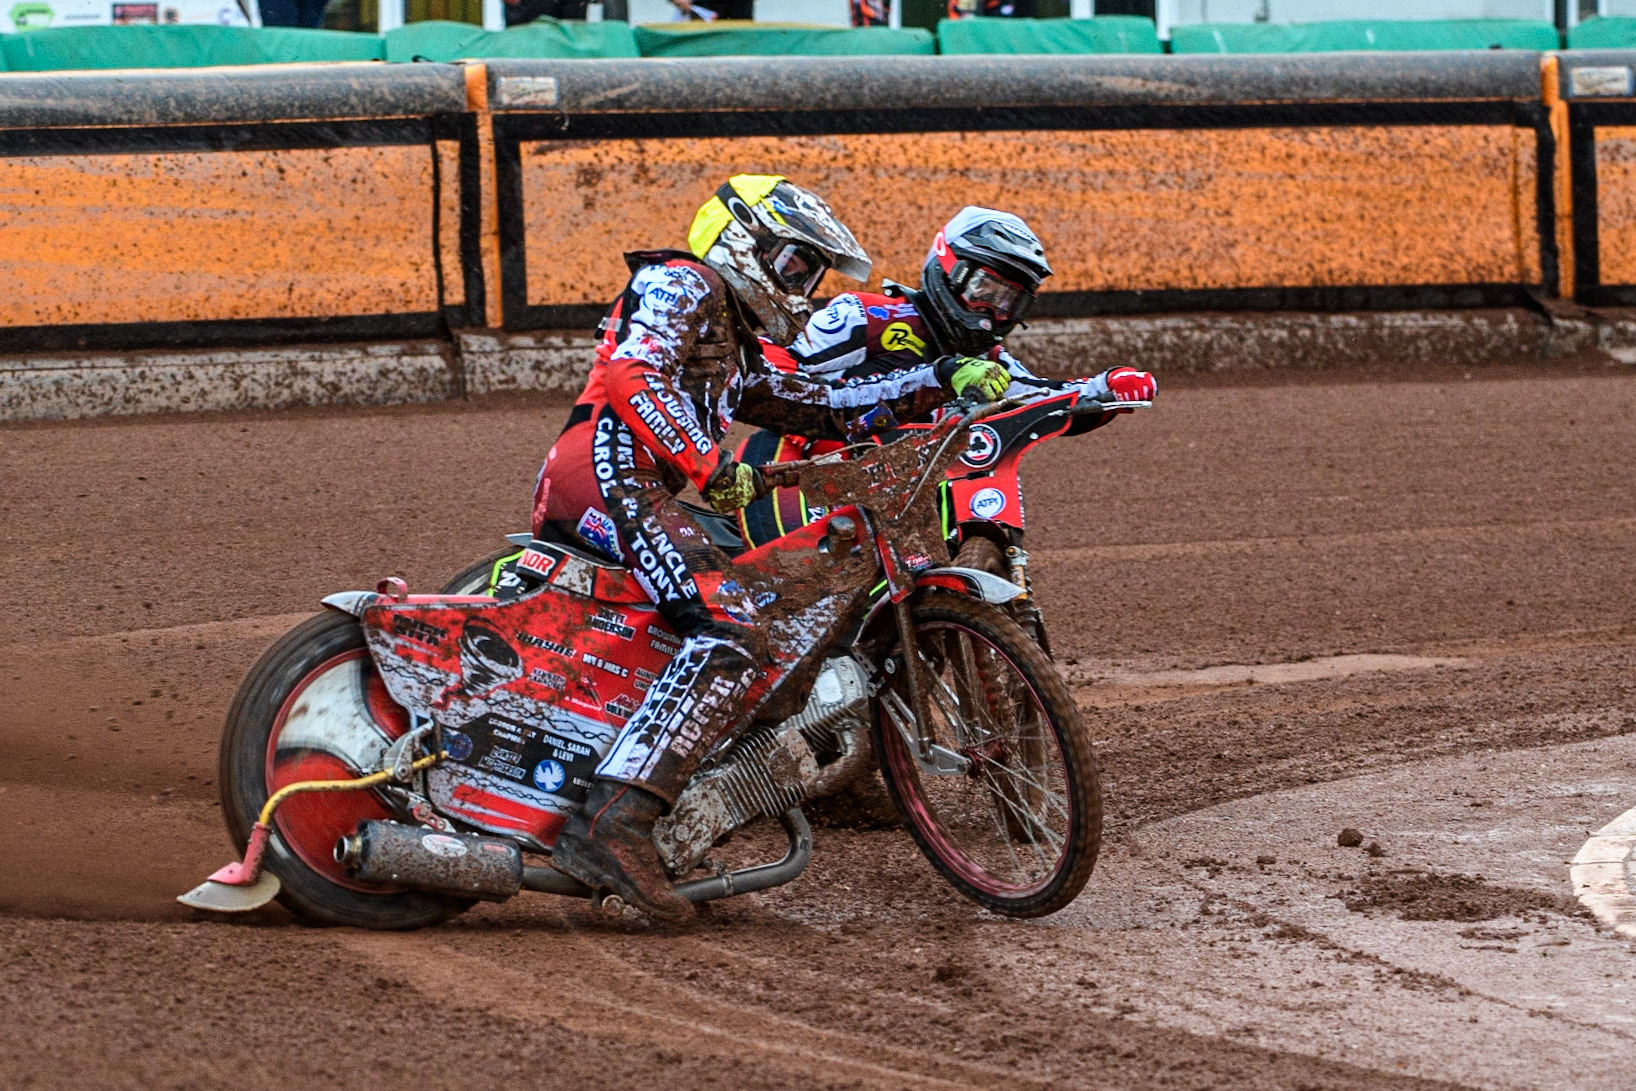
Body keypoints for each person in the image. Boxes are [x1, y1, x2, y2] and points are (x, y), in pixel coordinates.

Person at [537, 176, 1012, 922]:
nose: (805, 286)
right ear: (739, 240)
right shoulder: (680, 281)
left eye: (812, 272)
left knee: (761, 596)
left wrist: (934, 381)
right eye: (795, 265)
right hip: (608, 477)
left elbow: (819, 404)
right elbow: (636, 373)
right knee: (732, 627)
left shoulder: (736, 344)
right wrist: (708, 463)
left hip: (642, 487)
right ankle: (614, 821)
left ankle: (705, 779)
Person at [735, 206, 1157, 547]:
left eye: (1010, 302)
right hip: (793, 468)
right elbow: (774, 360)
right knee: (792, 595)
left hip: (886, 493)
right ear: (947, 269)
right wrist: (821, 419)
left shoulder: (991, 361)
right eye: (985, 291)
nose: (993, 312)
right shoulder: (868, 317)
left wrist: (1107, 386)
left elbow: (1039, 398)